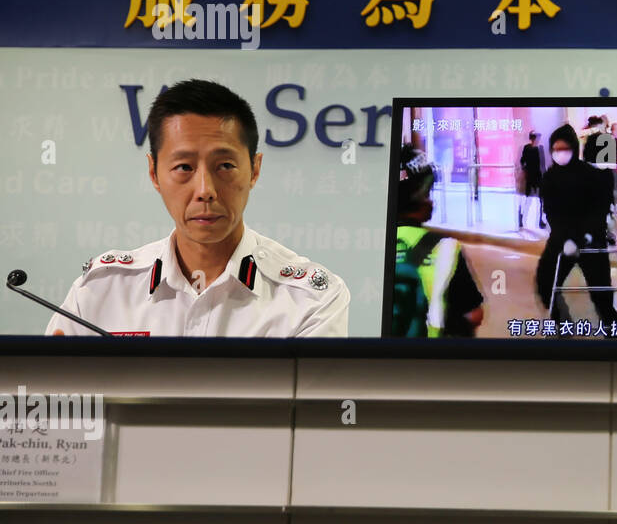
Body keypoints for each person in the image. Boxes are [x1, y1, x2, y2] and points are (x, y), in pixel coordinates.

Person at [45, 79, 350, 336]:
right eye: (184, 167)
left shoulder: (311, 301)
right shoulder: (101, 291)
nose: (205, 190)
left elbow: (313, 408)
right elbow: (52, 402)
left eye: (225, 165)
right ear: (154, 173)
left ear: (255, 169)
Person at [391, 144, 484, 337]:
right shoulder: (445, 249)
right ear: (419, 196)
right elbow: (474, 315)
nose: (431, 200)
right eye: (428, 193)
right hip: (429, 361)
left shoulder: (366, 246)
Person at [536, 123, 617, 326]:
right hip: (562, 241)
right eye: (556, 150)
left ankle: (613, 328)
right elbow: (551, 212)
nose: (560, 153)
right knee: (545, 280)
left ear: (574, 149)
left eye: (564, 149)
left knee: (600, 292)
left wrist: (586, 236)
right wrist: (565, 239)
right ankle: (560, 320)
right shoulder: (549, 178)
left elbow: (598, 209)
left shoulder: (591, 176)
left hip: (590, 241)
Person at [518, 130, 546, 230]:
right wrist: (524, 170)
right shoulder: (527, 148)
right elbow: (523, 161)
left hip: (539, 176)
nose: (538, 140)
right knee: (526, 199)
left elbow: (543, 164)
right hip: (530, 176)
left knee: (541, 200)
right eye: (537, 137)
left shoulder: (540, 148)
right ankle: (520, 219)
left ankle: (540, 221)